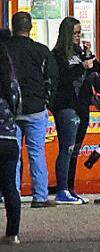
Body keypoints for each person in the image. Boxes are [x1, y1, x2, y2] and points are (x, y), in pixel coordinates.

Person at [0, 12, 54, 209]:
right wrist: (47, 101)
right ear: (30, 27)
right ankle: (40, 196)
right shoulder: (41, 50)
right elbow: (52, 78)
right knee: (37, 152)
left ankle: (11, 194)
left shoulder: (5, 49)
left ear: (13, 26)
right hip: (36, 108)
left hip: (10, 111)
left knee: (12, 155)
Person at [49, 17, 98, 204]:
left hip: (82, 105)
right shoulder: (57, 55)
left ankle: (70, 188)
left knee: (76, 150)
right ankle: (62, 190)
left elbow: (94, 72)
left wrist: (89, 54)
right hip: (66, 105)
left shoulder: (79, 52)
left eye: (80, 33)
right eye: (75, 33)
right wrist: (80, 67)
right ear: (67, 34)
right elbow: (61, 79)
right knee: (67, 149)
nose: (78, 37)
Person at [0, 40, 22, 242]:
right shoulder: (11, 83)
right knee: (9, 187)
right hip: (9, 139)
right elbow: (18, 108)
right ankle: (12, 233)